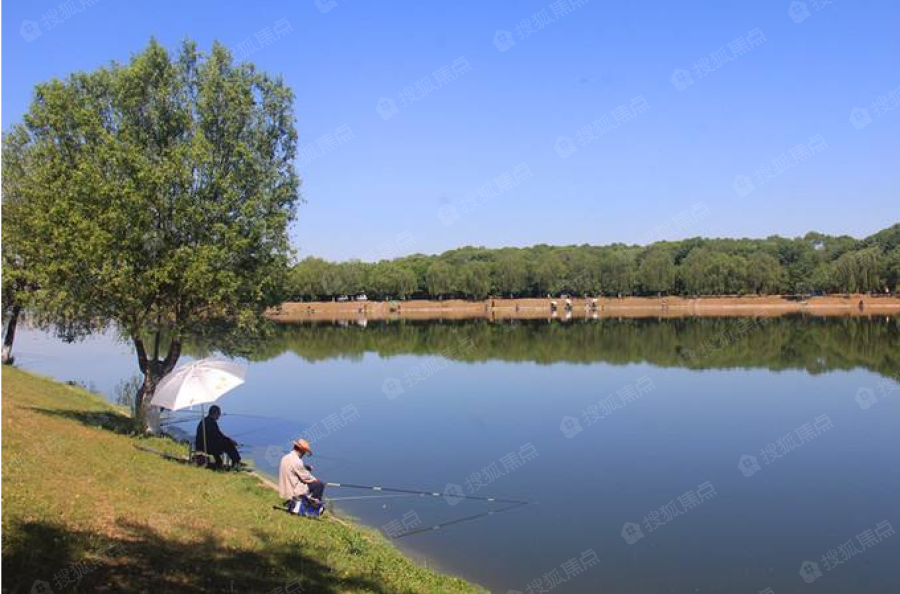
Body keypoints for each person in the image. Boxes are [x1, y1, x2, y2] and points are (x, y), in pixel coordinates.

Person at [278, 439, 325, 508]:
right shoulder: (297, 461)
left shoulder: (286, 457)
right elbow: (306, 478)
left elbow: (294, 468)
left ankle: (304, 502)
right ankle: (312, 507)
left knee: (315, 484)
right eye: (305, 452)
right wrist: (315, 480)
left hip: (286, 489)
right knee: (319, 485)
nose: (304, 454)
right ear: (302, 451)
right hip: (294, 490)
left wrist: (305, 467)